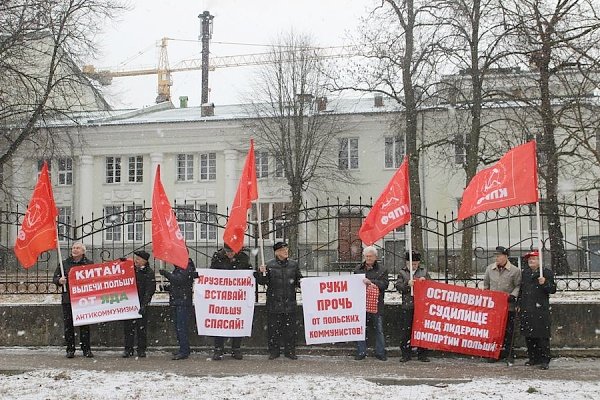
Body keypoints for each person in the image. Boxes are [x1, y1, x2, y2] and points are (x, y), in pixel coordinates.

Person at [257, 241, 302, 360]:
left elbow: (299, 280)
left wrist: (305, 284)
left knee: (290, 330)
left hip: (290, 302)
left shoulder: (293, 264)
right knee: (273, 330)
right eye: (283, 250)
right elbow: (262, 282)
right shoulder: (269, 265)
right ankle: (274, 351)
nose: (286, 252)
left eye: (286, 249)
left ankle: (290, 351)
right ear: (276, 253)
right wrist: (261, 273)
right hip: (274, 303)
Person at [210, 244, 253, 361]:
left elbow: (248, 272)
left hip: (237, 296)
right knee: (220, 321)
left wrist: (251, 273)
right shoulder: (217, 258)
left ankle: (236, 348)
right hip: (222, 296)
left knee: (236, 320)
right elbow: (212, 273)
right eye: (228, 252)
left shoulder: (243, 258)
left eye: (232, 252)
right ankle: (218, 349)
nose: (230, 254)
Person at [52, 242, 94, 358]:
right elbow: (55, 278)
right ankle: (70, 349)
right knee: (68, 325)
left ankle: (86, 349)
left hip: (84, 299)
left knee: (85, 325)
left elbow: (95, 278)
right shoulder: (64, 263)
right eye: (73, 248)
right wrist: (59, 280)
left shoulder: (89, 264)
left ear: (83, 251)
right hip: (68, 299)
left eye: (78, 248)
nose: (75, 250)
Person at [518, 250, 557, 370]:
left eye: (534, 259)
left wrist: (545, 283)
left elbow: (552, 289)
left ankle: (545, 359)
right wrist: (519, 303)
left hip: (540, 309)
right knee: (529, 335)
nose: (531, 261)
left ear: (539, 261)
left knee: (542, 335)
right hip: (527, 307)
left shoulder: (546, 273)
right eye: (529, 260)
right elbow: (522, 289)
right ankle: (533, 357)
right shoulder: (525, 273)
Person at [483, 245, 522, 363]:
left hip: (508, 306)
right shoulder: (490, 269)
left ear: (506, 256)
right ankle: (495, 352)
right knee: (495, 331)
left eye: (499, 256)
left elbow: (518, 285)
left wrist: (513, 296)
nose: (497, 258)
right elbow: (486, 285)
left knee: (509, 331)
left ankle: (509, 353)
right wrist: (487, 296)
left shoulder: (515, 270)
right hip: (494, 307)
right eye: (496, 256)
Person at [395, 250, 431, 362]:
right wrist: (407, 285)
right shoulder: (402, 273)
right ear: (407, 263)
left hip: (421, 306)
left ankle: (422, 353)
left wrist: (425, 282)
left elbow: (431, 286)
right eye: (411, 264)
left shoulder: (423, 272)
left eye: (415, 264)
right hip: (408, 305)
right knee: (407, 330)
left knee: (422, 330)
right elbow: (398, 287)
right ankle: (406, 353)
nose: (413, 266)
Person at [354, 246, 389, 361]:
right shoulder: (358, 269)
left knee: (379, 329)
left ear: (375, 257)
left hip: (376, 304)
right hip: (361, 304)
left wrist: (371, 282)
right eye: (366, 256)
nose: (368, 258)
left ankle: (380, 352)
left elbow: (384, 285)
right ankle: (361, 351)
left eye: (370, 256)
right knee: (360, 328)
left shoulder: (382, 269)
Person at [159, 258, 197, 360]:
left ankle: (184, 350)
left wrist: (166, 274)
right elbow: (178, 284)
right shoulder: (180, 267)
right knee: (178, 327)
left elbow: (179, 280)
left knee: (181, 327)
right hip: (178, 300)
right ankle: (183, 348)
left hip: (182, 302)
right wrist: (168, 288)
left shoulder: (186, 267)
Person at [122, 250, 156, 358]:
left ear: (144, 261)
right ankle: (128, 349)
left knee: (141, 328)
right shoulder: (131, 269)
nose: (136, 260)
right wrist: (121, 262)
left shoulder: (149, 272)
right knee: (128, 328)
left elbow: (149, 290)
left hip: (141, 303)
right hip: (130, 302)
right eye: (135, 258)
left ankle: (141, 349)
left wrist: (144, 305)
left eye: (138, 259)